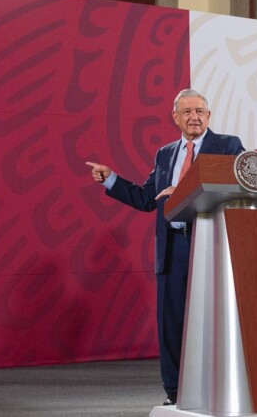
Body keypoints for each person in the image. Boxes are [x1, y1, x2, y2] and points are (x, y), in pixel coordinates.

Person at [86, 89, 244, 405]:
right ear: (175, 118)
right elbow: (149, 199)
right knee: (171, 322)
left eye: (200, 110)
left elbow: (237, 183)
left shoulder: (228, 145)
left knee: (212, 320)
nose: (194, 117)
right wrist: (111, 180)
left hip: (210, 246)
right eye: (186, 112)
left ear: (209, 116)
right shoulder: (165, 154)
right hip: (174, 248)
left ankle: (216, 389)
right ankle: (175, 393)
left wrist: (185, 189)